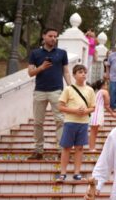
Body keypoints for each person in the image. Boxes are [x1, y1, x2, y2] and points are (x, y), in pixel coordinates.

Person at [28, 27, 71, 160]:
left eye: (55, 36)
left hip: (56, 91)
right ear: (44, 36)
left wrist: (71, 87)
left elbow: (66, 71)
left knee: (60, 120)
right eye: (51, 36)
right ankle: (38, 150)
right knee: (37, 122)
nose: (53, 38)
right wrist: (41, 67)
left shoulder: (62, 53)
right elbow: (30, 72)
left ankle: (61, 150)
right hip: (39, 91)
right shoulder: (35, 53)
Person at [56, 65, 95, 181]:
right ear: (74, 75)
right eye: (80, 72)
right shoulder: (68, 89)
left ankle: (77, 172)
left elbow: (93, 107)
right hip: (70, 122)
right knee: (66, 147)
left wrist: (85, 111)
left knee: (79, 148)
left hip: (83, 123)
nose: (83, 74)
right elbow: (60, 107)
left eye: (84, 72)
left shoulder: (90, 90)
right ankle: (63, 173)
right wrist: (75, 111)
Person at [89, 79, 114, 151]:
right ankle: (91, 148)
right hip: (97, 112)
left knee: (94, 131)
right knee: (94, 131)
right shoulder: (104, 91)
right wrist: (113, 113)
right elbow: (107, 104)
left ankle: (92, 147)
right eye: (106, 84)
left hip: (95, 112)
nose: (108, 86)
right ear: (103, 85)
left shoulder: (98, 92)